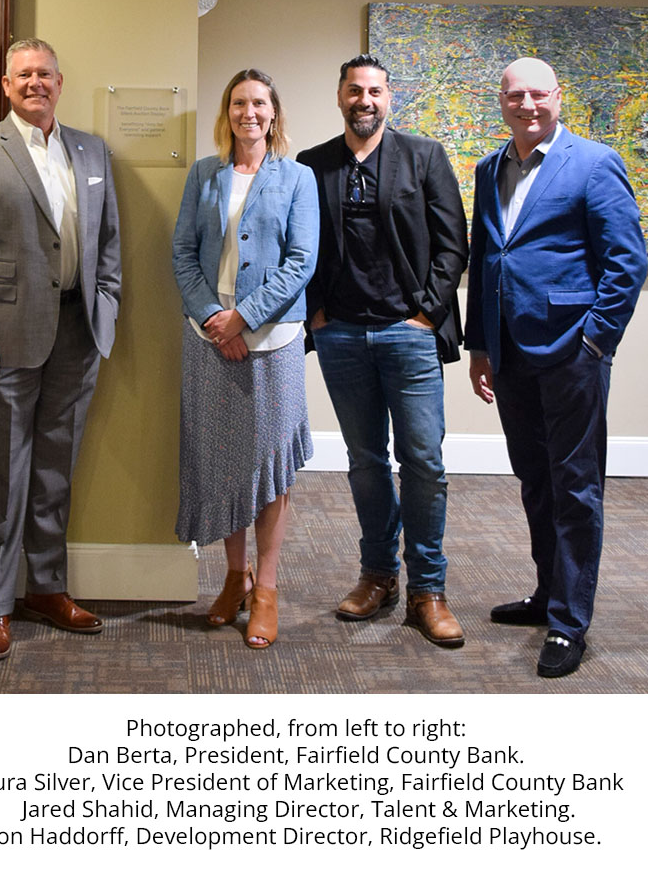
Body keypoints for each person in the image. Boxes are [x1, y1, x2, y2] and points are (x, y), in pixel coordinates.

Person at [465, 57, 647, 677]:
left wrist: (595, 342)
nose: (527, 105)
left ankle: (570, 624)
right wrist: (481, 346)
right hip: (511, 353)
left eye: (538, 94)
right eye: (515, 96)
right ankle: (548, 595)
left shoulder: (594, 164)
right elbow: (487, 259)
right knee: (535, 480)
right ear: (502, 102)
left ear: (557, 97)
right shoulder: (490, 168)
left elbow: (627, 262)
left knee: (575, 487)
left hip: (573, 354)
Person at [0, 39, 122, 660]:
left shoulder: (92, 150)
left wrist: (109, 302)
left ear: (60, 81)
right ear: (6, 85)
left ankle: (46, 588)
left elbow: (108, 243)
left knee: (55, 470)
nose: (35, 83)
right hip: (6, 338)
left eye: (44, 74)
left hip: (81, 333)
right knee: (4, 474)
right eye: (23, 75)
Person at [297, 54, 468, 647]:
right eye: (354, 90)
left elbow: (454, 245)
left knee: (424, 461)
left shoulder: (424, 157)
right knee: (366, 461)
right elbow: (301, 245)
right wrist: (317, 313)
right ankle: (378, 576)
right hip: (341, 335)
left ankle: (428, 588)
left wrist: (426, 313)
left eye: (374, 91)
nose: (363, 100)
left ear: (389, 99)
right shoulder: (312, 164)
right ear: (339, 96)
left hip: (407, 334)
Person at [172, 68, 318, 649]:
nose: (248, 112)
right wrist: (214, 316)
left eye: (259, 103)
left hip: (273, 336)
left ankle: (268, 589)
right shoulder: (204, 174)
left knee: (270, 463)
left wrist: (246, 317)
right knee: (224, 458)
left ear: (274, 112)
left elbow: (301, 259)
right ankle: (236, 576)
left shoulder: (297, 177)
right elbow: (183, 251)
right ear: (227, 112)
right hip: (208, 333)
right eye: (239, 102)